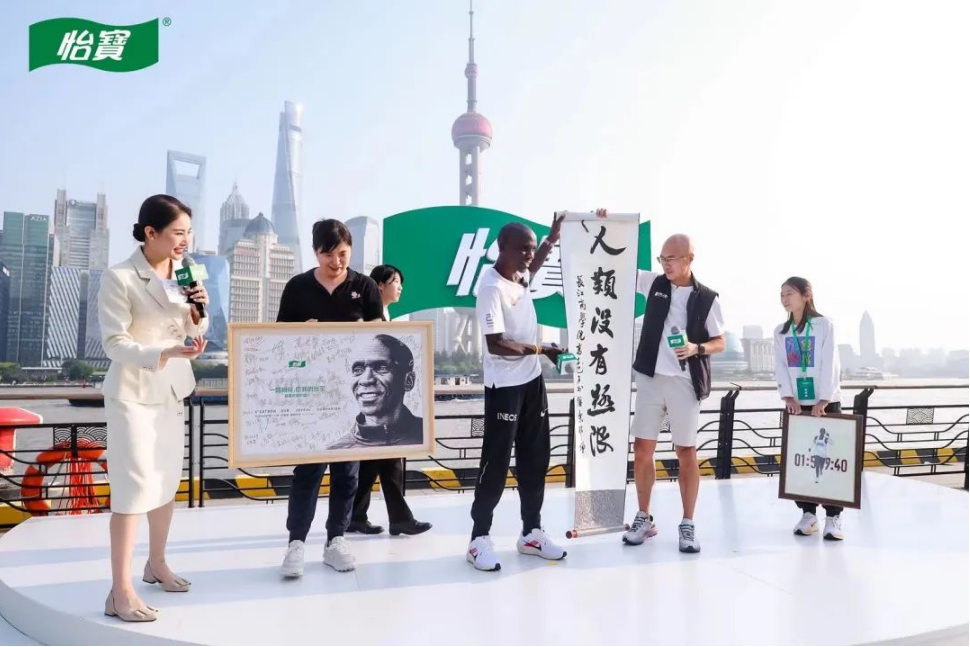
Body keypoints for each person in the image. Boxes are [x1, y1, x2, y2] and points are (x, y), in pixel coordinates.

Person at [98, 194, 209, 622]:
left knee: (165, 482)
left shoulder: (187, 270)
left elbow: (197, 323)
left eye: (188, 232)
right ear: (150, 232)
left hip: (172, 389)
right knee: (131, 491)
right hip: (132, 393)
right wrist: (164, 353)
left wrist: (197, 315)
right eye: (178, 232)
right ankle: (119, 591)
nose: (185, 240)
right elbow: (114, 343)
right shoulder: (120, 277)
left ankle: (156, 563)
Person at [615, 209, 726, 554]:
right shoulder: (653, 284)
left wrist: (696, 348)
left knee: (686, 451)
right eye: (662, 258)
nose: (666, 264)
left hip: (685, 381)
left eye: (672, 258)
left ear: (690, 258)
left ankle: (688, 523)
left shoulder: (707, 297)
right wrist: (604, 223)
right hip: (650, 378)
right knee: (642, 449)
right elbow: (616, 264)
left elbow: (720, 341)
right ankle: (644, 518)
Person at [277, 219, 384, 577]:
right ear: (315, 252)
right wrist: (300, 333)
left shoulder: (365, 287)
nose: (336, 262)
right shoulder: (297, 287)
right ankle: (295, 543)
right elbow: (277, 339)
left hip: (353, 396)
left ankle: (336, 539)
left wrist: (365, 332)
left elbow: (381, 335)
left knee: (347, 473)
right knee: (307, 471)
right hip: (310, 394)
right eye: (328, 255)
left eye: (342, 254)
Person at [467, 214, 567, 572]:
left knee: (536, 459)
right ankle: (479, 539)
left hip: (531, 382)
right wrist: (542, 349)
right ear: (501, 248)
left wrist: (551, 239)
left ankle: (531, 533)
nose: (528, 255)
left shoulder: (519, 276)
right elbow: (496, 344)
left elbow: (533, 267)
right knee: (495, 463)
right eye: (522, 249)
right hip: (504, 388)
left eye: (531, 249)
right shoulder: (491, 287)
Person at [774, 276, 845, 540]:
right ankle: (808, 514)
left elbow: (830, 363)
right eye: (782, 294)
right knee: (801, 461)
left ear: (806, 295)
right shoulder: (781, 331)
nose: (784, 299)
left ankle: (833, 517)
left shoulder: (823, 325)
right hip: (797, 404)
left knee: (830, 460)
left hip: (825, 403)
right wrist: (788, 397)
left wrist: (823, 399)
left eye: (789, 293)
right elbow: (780, 365)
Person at [344, 331, 432, 535]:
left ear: (408, 380)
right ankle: (394, 519)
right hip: (381, 437)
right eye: (358, 369)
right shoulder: (340, 442)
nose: (366, 380)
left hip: (388, 436)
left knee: (383, 466)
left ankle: (359, 517)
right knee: (380, 466)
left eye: (381, 367)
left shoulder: (418, 432)